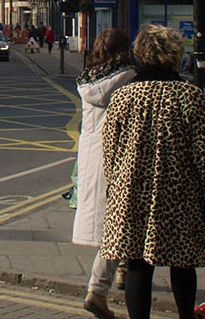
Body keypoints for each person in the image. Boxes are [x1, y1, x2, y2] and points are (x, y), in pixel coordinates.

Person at [100, 24, 205, 319]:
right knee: (182, 264)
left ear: (140, 53)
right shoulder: (190, 97)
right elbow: (202, 155)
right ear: (175, 55)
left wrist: (117, 187)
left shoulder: (123, 98)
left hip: (131, 193)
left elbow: (109, 155)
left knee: (137, 266)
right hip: (179, 196)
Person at [72, 28, 135, 319]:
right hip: (118, 155)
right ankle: (98, 289)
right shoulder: (130, 79)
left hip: (91, 156)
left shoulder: (89, 79)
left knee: (119, 219)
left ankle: (120, 273)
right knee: (120, 222)